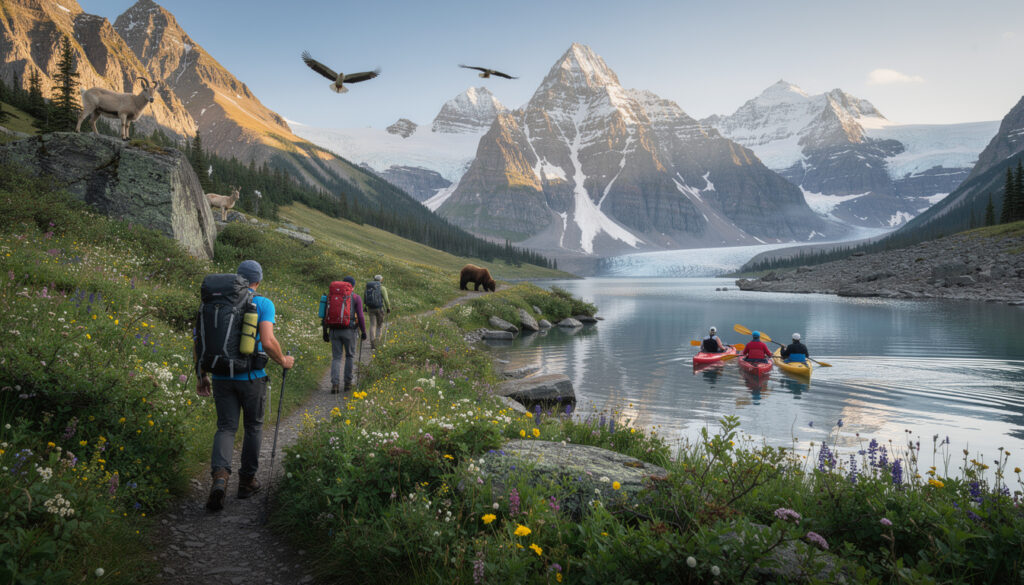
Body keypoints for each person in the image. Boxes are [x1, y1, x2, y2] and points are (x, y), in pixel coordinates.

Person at [197, 260, 294, 512]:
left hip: (220, 376)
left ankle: (219, 478)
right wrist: (283, 360)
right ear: (258, 281)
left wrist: (201, 375)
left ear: (238, 278)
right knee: (253, 427)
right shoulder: (262, 303)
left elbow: (200, 340)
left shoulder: (211, 303)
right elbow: (268, 339)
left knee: (226, 427)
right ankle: (247, 481)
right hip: (252, 377)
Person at [329, 276, 367, 394]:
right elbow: (360, 316)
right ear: (353, 286)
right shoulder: (356, 297)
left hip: (334, 330)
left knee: (336, 357)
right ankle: (347, 384)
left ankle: (335, 384)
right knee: (350, 356)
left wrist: (325, 332)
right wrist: (364, 331)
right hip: (350, 331)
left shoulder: (332, 296)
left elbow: (325, 315)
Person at [364, 274, 392, 349]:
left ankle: (372, 343)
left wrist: (365, 307)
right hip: (379, 308)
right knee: (379, 325)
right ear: (381, 280)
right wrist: (388, 308)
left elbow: (365, 296)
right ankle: (377, 342)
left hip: (370, 308)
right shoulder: (382, 288)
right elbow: (386, 299)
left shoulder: (369, 287)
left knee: (372, 325)